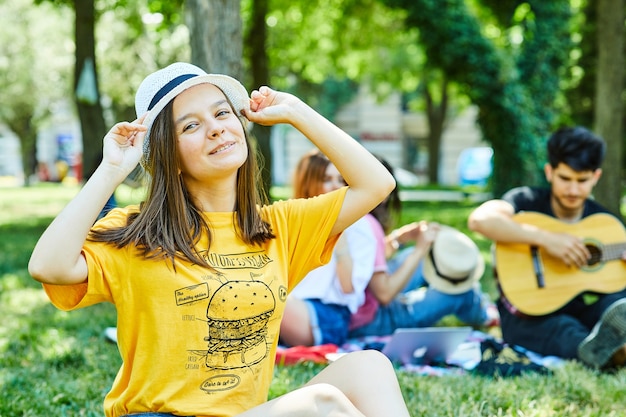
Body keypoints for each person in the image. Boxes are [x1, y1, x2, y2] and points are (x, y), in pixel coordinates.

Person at [28, 62, 410, 417]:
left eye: (222, 112)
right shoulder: (137, 233)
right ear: (170, 156)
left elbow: (377, 184)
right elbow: (48, 266)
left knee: (369, 366)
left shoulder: (279, 227)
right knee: (322, 404)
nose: (215, 128)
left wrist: (295, 111)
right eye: (190, 126)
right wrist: (110, 170)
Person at [468, 126, 626, 370]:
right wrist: (547, 239)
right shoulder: (526, 201)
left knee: (618, 303)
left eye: (582, 181)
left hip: (580, 312)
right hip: (527, 317)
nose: (573, 190)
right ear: (549, 172)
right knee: (562, 329)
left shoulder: (605, 224)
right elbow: (480, 220)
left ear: (596, 177)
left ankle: (608, 348)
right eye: (565, 178)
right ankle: (605, 353)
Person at [349, 158, 498, 339]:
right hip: (373, 320)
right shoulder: (369, 226)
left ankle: (478, 303)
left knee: (418, 259)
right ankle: (486, 315)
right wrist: (421, 248)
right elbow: (385, 295)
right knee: (461, 292)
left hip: (360, 306)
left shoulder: (351, 217)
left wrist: (401, 238)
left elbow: (372, 260)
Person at [279, 150, 376, 347]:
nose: (336, 186)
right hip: (290, 308)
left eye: (341, 180)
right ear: (308, 182)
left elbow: (348, 289)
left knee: (267, 294)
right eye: (327, 179)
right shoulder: (290, 218)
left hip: (328, 317)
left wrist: (339, 237)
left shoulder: (359, 225)